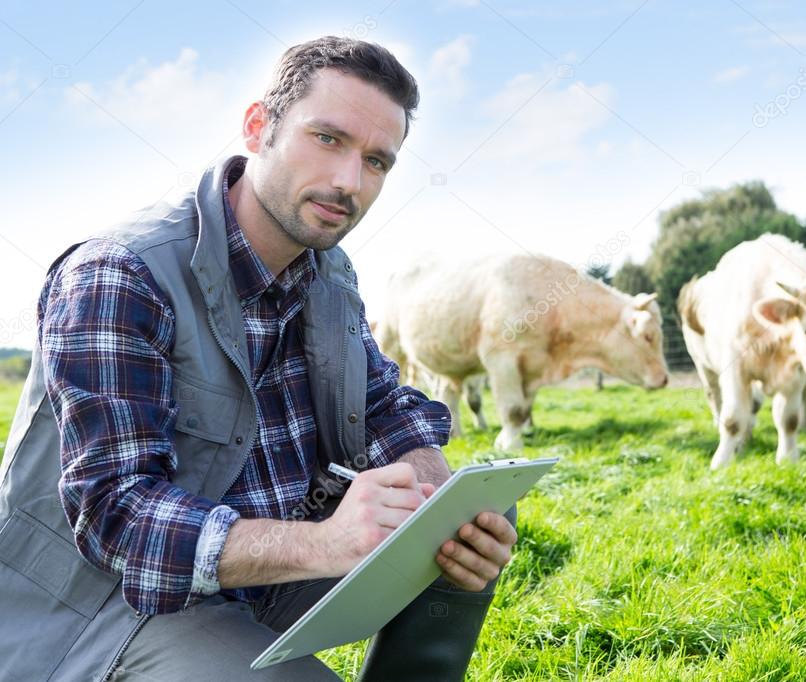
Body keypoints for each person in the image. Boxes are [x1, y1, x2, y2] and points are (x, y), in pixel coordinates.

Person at [0, 36, 517, 681]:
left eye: (377, 161)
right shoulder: (120, 275)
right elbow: (117, 519)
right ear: (258, 127)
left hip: (262, 572)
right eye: (327, 138)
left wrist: (431, 485)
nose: (348, 182)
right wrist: (326, 543)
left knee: (472, 513)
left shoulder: (328, 272)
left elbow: (384, 401)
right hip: (116, 607)